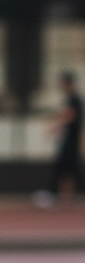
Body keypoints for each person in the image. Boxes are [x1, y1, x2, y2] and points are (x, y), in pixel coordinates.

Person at [49, 71, 83, 199]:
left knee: (65, 166)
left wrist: (55, 126)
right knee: (69, 168)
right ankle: (63, 195)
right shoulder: (70, 99)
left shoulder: (74, 99)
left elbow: (70, 116)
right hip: (68, 139)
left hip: (71, 139)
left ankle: (53, 193)